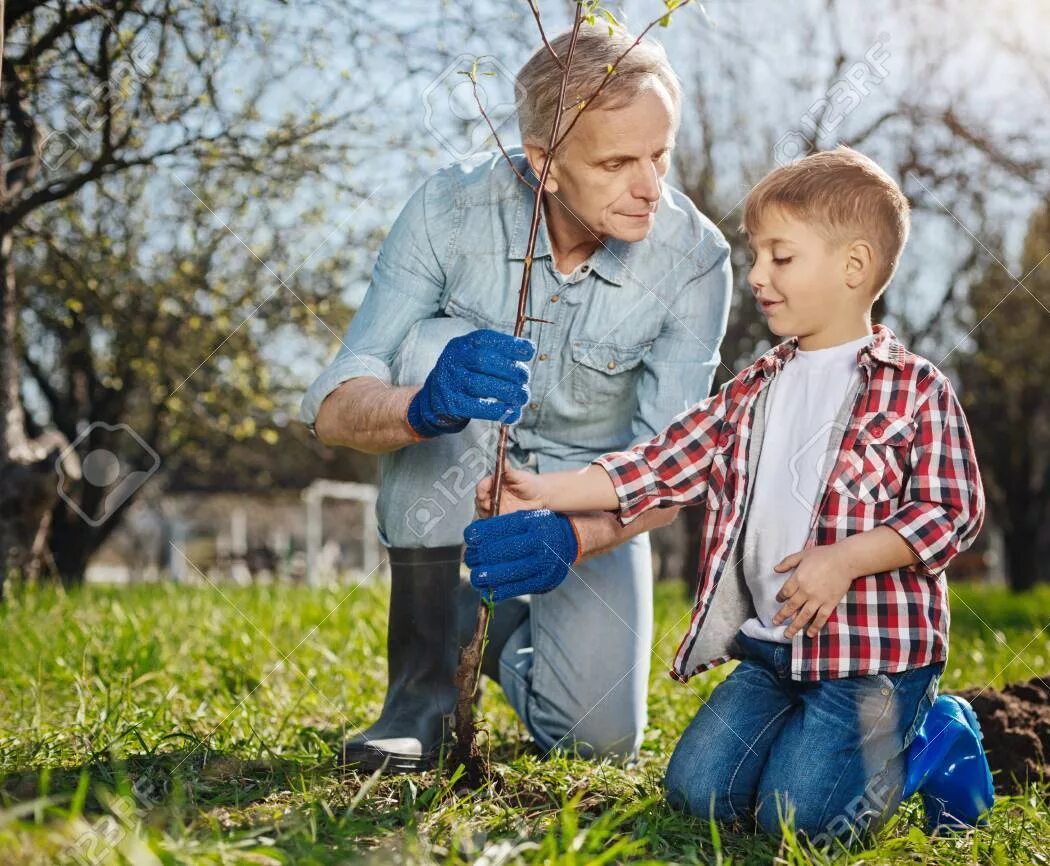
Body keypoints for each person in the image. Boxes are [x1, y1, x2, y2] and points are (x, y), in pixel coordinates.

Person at [464, 147, 989, 840]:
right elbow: (659, 465)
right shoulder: (753, 389)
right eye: (755, 257)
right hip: (776, 653)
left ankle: (930, 739)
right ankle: (800, 743)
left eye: (781, 257)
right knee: (697, 795)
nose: (758, 276)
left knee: (802, 826)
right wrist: (542, 490)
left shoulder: (916, 389)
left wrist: (846, 559)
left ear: (853, 267)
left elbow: (953, 512)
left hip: (873, 666)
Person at [300, 24, 732, 773]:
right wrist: (420, 406)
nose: (651, 187)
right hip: (456, 463)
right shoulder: (448, 210)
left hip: (586, 490)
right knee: (432, 343)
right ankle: (421, 697)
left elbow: (675, 465)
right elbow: (333, 404)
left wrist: (572, 535)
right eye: (617, 162)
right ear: (545, 164)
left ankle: (493, 632)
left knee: (597, 742)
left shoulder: (695, 262)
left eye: (660, 154)